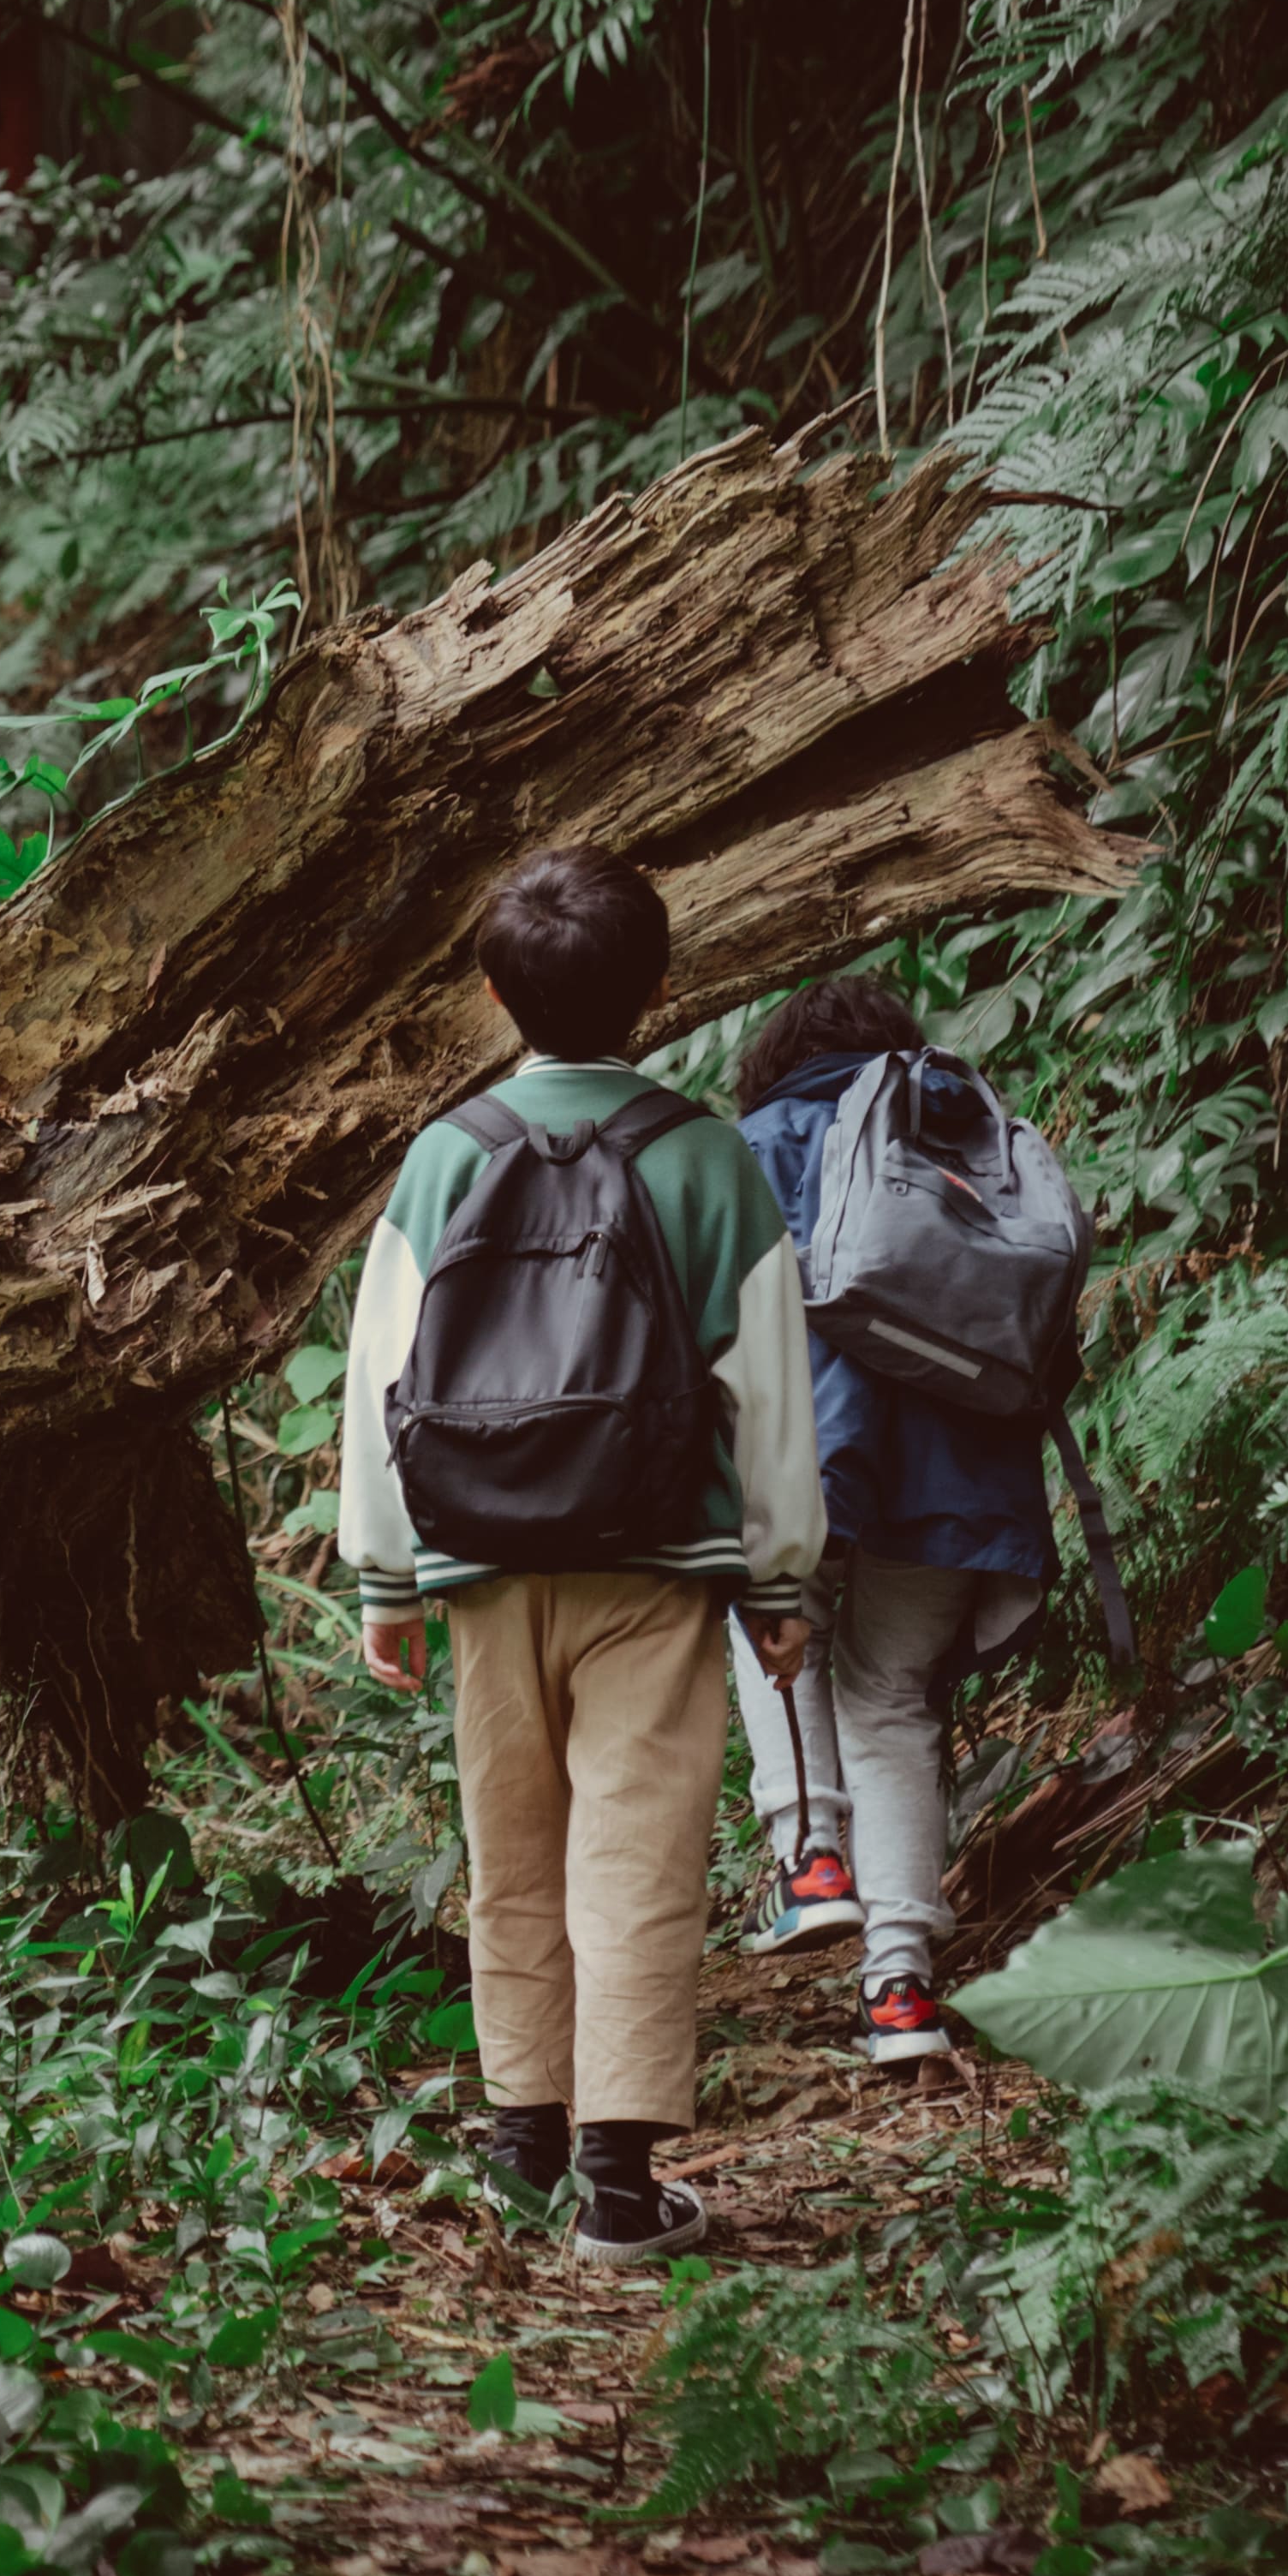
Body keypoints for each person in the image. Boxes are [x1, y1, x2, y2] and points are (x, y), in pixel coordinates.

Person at [344, 845, 822, 2264]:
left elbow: (380, 1372)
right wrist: (780, 1578)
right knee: (636, 1854)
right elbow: (775, 1393)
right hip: (655, 1561)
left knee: (515, 1856)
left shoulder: (444, 1158)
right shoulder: (704, 1158)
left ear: (495, 994)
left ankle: (518, 2149)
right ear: (663, 993)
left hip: (484, 1565)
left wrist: (384, 1576)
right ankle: (617, 2186)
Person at [718, 974, 1052, 2065]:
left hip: (810, 1448)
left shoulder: (762, 1141)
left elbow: (724, 1318)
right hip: (965, 1465)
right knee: (891, 1694)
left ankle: (810, 1858)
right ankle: (901, 1988)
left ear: (771, 1059)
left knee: (767, 1612)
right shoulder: (969, 1127)